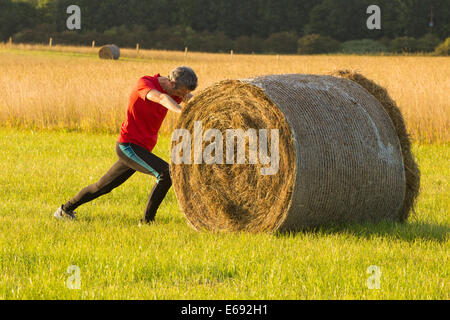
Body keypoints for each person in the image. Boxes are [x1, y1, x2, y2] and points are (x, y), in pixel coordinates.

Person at [54, 66, 198, 224]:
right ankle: (147, 222)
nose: (182, 97)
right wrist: (181, 112)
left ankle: (64, 210)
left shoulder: (174, 91)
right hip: (129, 146)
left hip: (142, 149)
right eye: (180, 93)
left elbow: (192, 99)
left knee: (102, 187)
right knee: (166, 173)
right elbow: (161, 98)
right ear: (171, 84)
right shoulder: (145, 84)